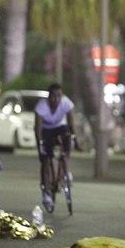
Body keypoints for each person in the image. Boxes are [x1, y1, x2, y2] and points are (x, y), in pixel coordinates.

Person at [34, 83, 76, 213]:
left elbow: (71, 122)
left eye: (59, 96)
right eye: (53, 96)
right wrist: (40, 144)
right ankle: (46, 191)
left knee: (68, 138)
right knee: (46, 160)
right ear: (48, 97)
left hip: (59, 127)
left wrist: (73, 136)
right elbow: (38, 128)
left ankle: (65, 172)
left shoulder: (66, 103)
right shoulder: (41, 106)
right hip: (46, 130)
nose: (56, 99)